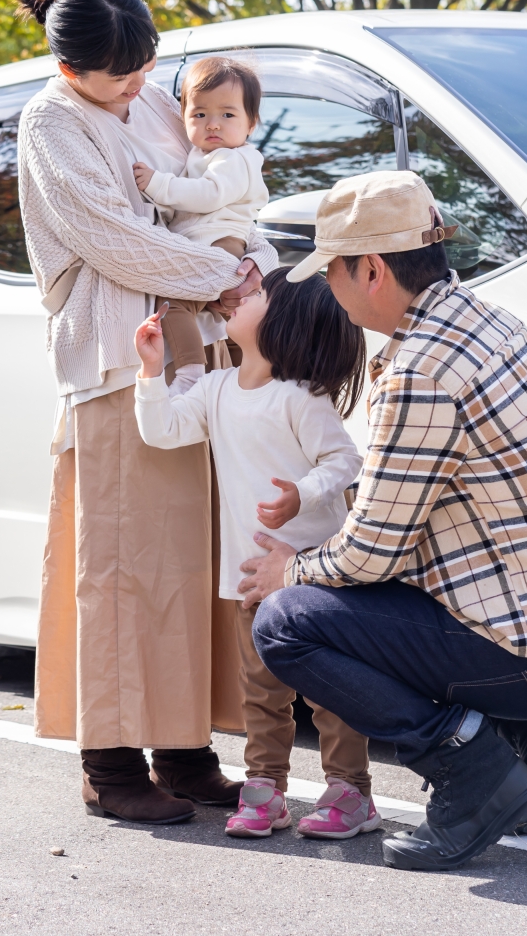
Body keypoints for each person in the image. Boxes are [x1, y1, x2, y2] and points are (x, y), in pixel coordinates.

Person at [238, 170, 527, 872]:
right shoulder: (490, 323)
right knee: (369, 593)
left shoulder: (421, 369)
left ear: (370, 269)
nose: (326, 290)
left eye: (331, 272)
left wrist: (289, 570)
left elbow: (370, 554)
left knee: (286, 622)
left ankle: (473, 767)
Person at [14, 0, 278, 824]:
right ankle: (112, 762)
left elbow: (220, 189)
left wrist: (246, 270)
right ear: (69, 64)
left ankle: (184, 748)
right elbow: (111, 238)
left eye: (144, 65)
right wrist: (227, 277)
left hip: (195, 347)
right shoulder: (50, 122)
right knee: (124, 565)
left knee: (192, 559)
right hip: (118, 359)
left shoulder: (159, 100)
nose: (137, 85)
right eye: (118, 74)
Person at [131, 266, 381, 842]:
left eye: (258, 292)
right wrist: (150, 371)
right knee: (261, 690)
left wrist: (302, 495)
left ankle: (352, 791)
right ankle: (265, 788)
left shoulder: (301, 398)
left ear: (287, 320)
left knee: (329, 690)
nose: (242, 295)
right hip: (249, 575)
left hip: (315, 575)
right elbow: (163, 430)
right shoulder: (217, 389)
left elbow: (344, 463)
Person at [132, 56, 270, 394]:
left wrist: (157, 186)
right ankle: (253, 372)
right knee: (228, 316)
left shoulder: (234, 159)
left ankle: (190, 372)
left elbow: (207, 196)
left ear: (251, 123)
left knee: (174, 304)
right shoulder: (204, 156)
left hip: (219, 244)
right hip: (211, 243)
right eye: (199, 114)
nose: (213, 124)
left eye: (227, 114)